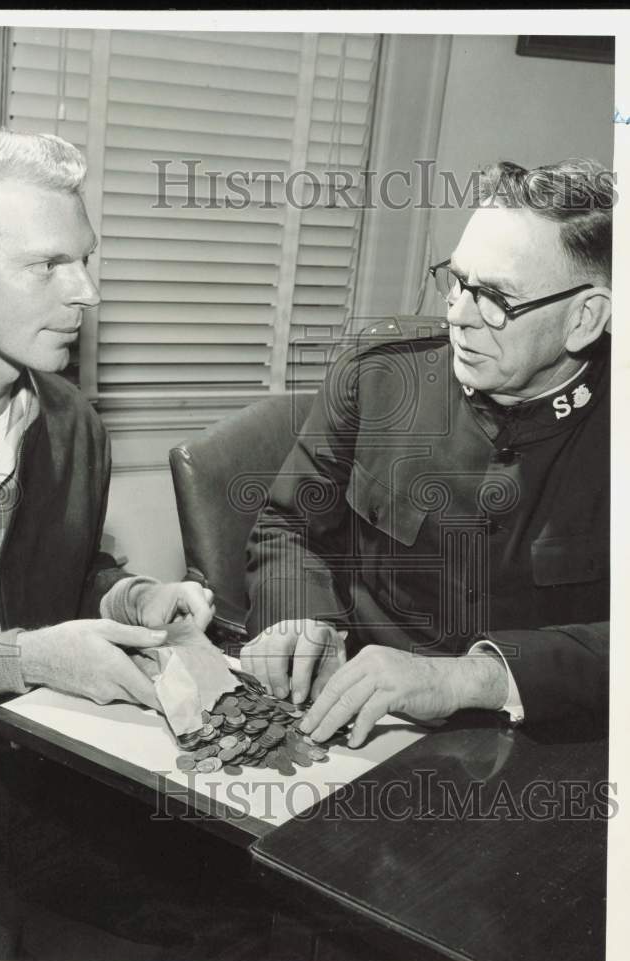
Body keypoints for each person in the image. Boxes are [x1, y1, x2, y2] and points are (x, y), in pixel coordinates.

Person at [0, 127, 216, 959]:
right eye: (47, 265)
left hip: (43, 773)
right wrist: (29, 660)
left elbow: (67, 572)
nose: (84, 292)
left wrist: (135, 598)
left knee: (242, 908)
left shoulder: (72, 421)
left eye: (84, 260)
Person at [243, 158, 611, 746]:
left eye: (495, 298)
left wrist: (480, 678)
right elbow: (291, 523)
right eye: (458, 280)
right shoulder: (382, 374)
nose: (457, 315)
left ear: (584, 318)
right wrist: (301, 614)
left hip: (547, 742)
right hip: (365, 722)